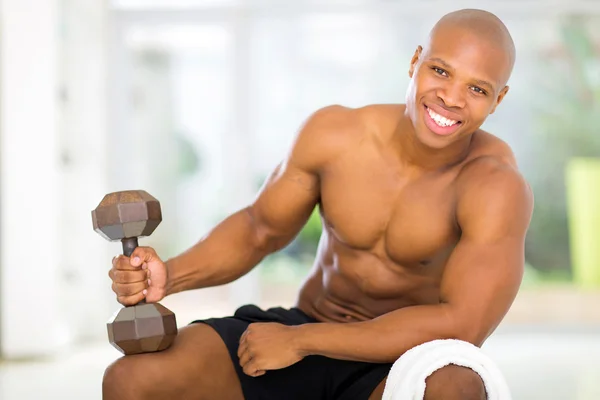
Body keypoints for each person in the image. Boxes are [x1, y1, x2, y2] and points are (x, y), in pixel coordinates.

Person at [103, 8, 533, 400]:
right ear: (415, 60)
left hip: (403, 356)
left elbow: (462, 324)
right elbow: (259, 229)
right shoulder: (336, 134)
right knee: (131, 380)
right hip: (305, 321)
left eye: (477, 88)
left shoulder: (494, 186)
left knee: (454, 387)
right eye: (440, 70)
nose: (452, 98)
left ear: (499, 100)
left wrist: (302, 342)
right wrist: (168, 277)